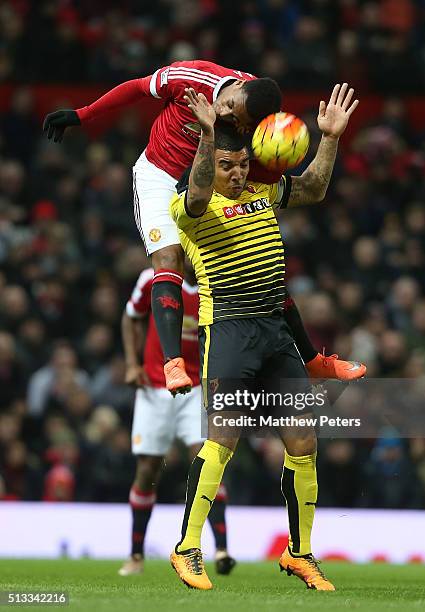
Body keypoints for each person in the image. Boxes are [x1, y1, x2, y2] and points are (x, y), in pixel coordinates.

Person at [43, 60, 365, 395]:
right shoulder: (191, 77)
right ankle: (172, 364)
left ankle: (312, 361)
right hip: (163, 174)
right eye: (230, 107)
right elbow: (138, 87)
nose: (226, 113)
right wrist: (83, 114)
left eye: (237, 121)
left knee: (261, 267)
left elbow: (302, 187)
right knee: (168, 262)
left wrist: (324, 140)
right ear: (236, 88)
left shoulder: (260, 124)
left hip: (218, 176)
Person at [168, 82, 359, 591]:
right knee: (222, 440)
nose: (237, 173)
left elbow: (314, 188)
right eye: (228, 164)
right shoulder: (190, 206)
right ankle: (187, 549)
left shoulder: (261, 192)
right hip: (228, 329)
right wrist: (209, 137)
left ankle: (300, 553)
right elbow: (202, 189)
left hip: (274, 333)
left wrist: (330, 139)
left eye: (242, 165)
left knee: (304, 441)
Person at [118, 264, 235, 577]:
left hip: (196, 388)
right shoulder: (153, 279)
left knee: (205, 460)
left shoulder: (216, 284)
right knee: (147, 470)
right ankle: (136, 556)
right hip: (154, 389)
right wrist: (132, 363)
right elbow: (131, 317)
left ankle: (222, 548)